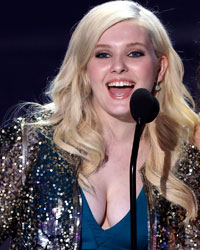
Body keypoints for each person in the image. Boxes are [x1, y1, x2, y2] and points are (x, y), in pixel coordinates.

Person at [0, 1, 200, 249]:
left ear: (160, 69)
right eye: (103, 54)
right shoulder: (30, 143)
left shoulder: (181, 157)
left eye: (134, 53)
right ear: (85, 69)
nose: (118, 67)